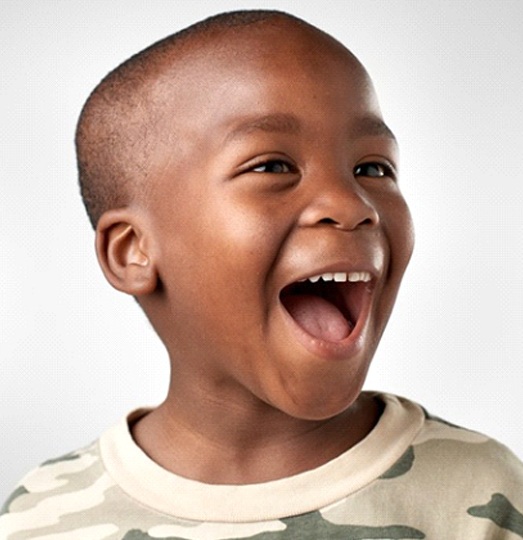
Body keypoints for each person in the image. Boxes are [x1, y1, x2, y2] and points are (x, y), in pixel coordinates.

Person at [1, 9, 522, 539]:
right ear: (133, 250)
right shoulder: (39, 516)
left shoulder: (486, 496)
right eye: (273, 166)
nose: (351, 203)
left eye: (373, 168)